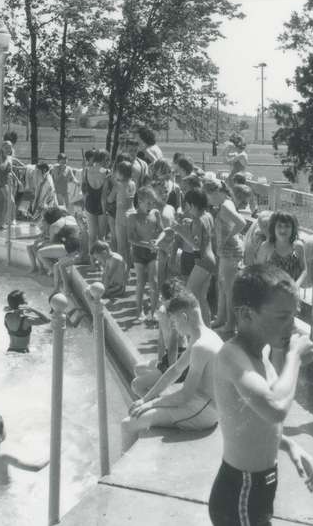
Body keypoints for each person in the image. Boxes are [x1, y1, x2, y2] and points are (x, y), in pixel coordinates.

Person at [210, 264, 313, 526]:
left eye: (294, 315)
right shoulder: (232, 357)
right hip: (241, 494)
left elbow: (254, 420)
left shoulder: (261, 352)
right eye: (282, 317)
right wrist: (294, 358)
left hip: (258, 487)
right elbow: (275, 408)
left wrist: (290, 445)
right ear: (246, 314)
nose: (292, 325)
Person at [122, 289, 222, 451]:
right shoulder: (204, 336)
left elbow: (184, 396)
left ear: (184, 317)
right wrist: (145, 399)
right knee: (141, 410)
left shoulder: (200, 346)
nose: (173, 326)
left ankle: (123, 475)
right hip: (203, 405)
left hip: (203, 412)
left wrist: (151, 403)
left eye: (174, 321)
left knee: (127, 424)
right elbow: (175, 370)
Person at [204, 179, 246, 333]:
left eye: (208, 196)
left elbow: (241, 223)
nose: (208, 200)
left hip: (230, 251)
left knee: (228, 289)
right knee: (222, 285)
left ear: (216, 192)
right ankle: (221, 318)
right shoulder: (226, 203)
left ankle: (230, 325)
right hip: (226, 250)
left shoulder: (226, 206)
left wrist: (228, 238)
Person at [172, 189, 216, 325]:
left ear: (192, 204)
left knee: (190, 295)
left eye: (187, 204)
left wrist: (179, 230)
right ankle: (207, 329)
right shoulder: (207, 215)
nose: (186, 207)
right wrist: (189, 224)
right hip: (210, 259)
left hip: (202, 261)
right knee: (201, 298)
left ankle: (196, 328)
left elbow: (195, 245)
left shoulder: (197, 220)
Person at [127, 186, 163, 322]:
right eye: (148, 203)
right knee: (141, 282)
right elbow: (130, 238)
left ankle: (153, 312)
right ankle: (139, 310)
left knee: (154, 282)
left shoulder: (156, 214)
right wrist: (146, 244)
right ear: (140, 201)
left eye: (153, 202)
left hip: (153, 251)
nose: (151, 205)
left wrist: (157, 241)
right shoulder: (133, 217)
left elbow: (162, 230)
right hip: (139, 252)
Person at [257, 211, 306, 285]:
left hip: (291, 292)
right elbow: (257, 271)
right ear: (273, 228)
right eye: (279, 226)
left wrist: (296, 285)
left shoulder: (298, 246)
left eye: (287, 226)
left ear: (293, 229)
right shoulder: (266, 247)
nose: (283, 230)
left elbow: (304, 270)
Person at [83, 150, 109, 256]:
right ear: (103, 159)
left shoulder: (87, 170)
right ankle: (102, 262)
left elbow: (83, 189)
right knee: (102, 237)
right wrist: (105, 211)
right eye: (107, 160)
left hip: (89, 203)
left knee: (92, 236)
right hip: (101, 206)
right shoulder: (106, 172)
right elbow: (103, 197)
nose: (108, 162)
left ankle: (93, 263)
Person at [114, 159, 136, 266]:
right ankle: (129, 267)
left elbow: (109, 199)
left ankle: (120, 269)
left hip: (121, 214)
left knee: (121, 246)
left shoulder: (119, 184)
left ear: (121, 173)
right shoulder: (132, 183)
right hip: (132, 212)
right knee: (129, 244)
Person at [0, 140, 17, 229]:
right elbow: (2, 167)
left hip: (10, 181)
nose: (8, 149)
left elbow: (11, 171)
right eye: (6, 147)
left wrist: (18, 180)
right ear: (2, 148)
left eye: (10, 147)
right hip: (2, 182)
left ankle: (5, 221)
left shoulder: (10, 157)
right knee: (11, 201)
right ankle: (9, 220)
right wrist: (7, 158)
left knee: (9, 202)